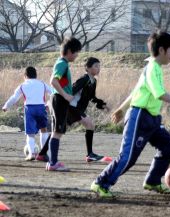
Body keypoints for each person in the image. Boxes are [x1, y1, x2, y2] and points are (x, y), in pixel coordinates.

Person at [90, 31, 170, 198]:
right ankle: (101, 183)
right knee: (128, 158)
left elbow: (136, 91)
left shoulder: (155, 68)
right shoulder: (152, 67)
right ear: (161, 50)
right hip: (140, 117)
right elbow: (159, 93)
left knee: (169, 147)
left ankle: (153, 181)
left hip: (152, 120)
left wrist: (121, 109)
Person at [37, 57, 109, 162]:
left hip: (75, 108)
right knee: (90, 125)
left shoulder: (93, 81)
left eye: (99, 66)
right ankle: (90, 155)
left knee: (57, 132)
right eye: (96, 66)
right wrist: (57, 102)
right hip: (72, 107)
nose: (98, 68)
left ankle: (42, 154)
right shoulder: (84, 79)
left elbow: (92, 97)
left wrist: (102, 104)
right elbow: (72, 89)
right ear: (87, 68)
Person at [47, 37, 82, 171]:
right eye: (76, 52)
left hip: (58, 99)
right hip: (59, 100)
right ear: (68, 51)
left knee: (57, 131)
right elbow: (53, 81)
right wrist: (66, 95)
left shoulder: (62, 63)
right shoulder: (62, 63)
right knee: (57, 132)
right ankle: (53, 163)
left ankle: (52, 161)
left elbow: (59, 82)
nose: (77, 55)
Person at [2, 66, 52, 161]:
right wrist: (49, 104)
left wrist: (6, 106)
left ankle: (32, 154)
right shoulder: (42, 84)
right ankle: (44, 153)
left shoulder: (23, 85)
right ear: (36, 75)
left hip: (30, 109)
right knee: (44, 130)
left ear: (25, 76)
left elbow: (14, 97)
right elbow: (53, 93)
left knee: (30, 134)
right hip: (41, 108)